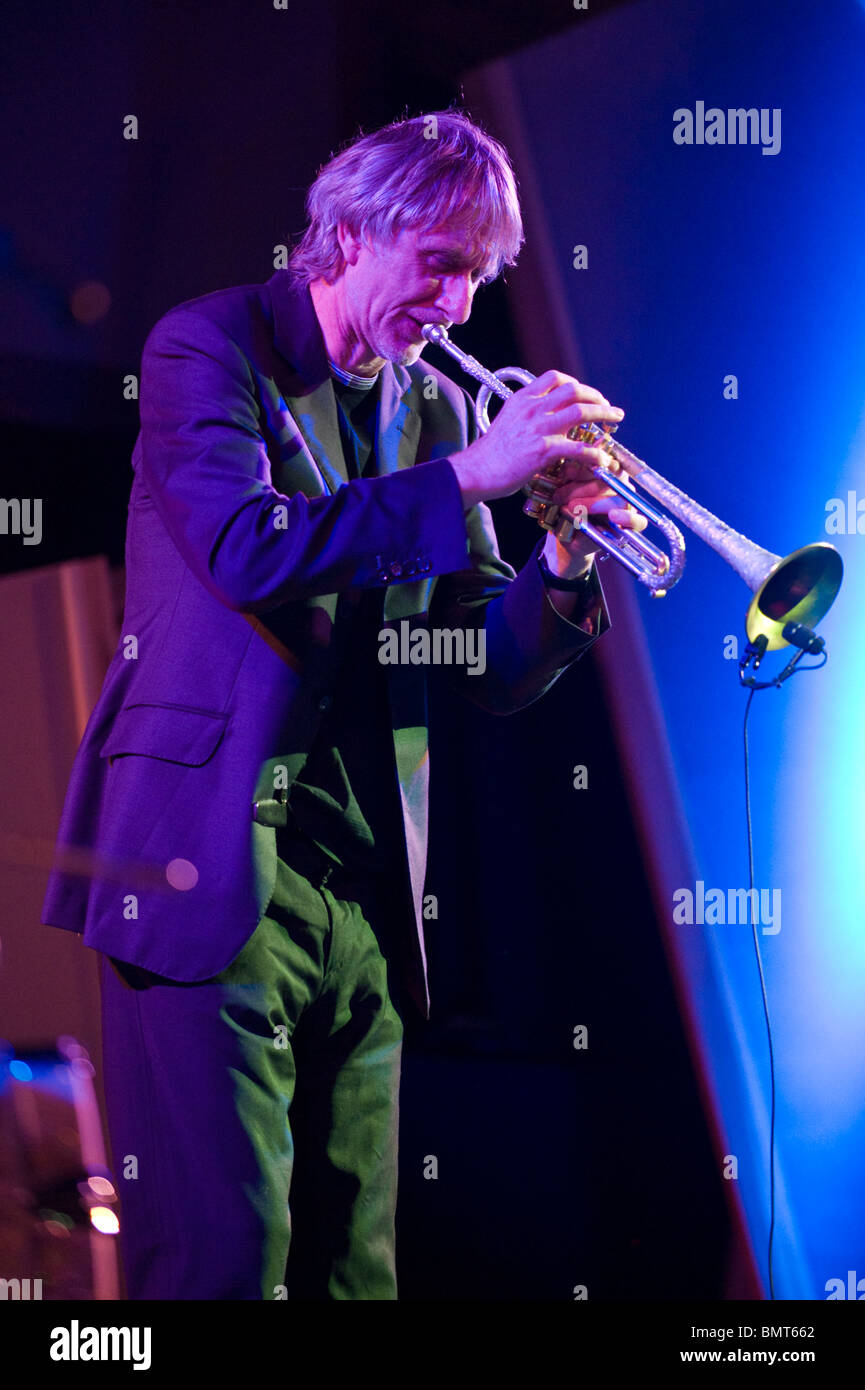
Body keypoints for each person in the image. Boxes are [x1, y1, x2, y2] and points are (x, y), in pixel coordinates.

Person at [39, 110, 643, 1300]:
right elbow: (247, 549)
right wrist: (470, 477)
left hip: (366, 896)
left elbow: (478, 657)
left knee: (355, 1273)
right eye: (444, 266)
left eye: (480, 276)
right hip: (203, 867)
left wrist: (565, 557)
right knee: (222, 1263)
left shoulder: (428, 413)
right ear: (358, 230)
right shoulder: (205, 347)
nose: (462, 306)